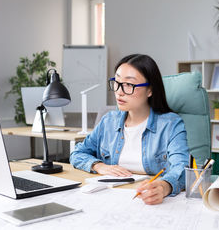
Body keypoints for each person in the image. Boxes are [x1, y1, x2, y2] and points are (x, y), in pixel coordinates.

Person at [70, 54, 189, 205]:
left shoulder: (171, 124)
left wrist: (164, 186)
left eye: (128, 85)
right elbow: (77, 153)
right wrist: (99, 166)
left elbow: (183, 168)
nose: (119, 91)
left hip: (149, 200)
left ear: (150, 90)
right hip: (109, 199)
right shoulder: (108, 121)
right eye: (117, 82)